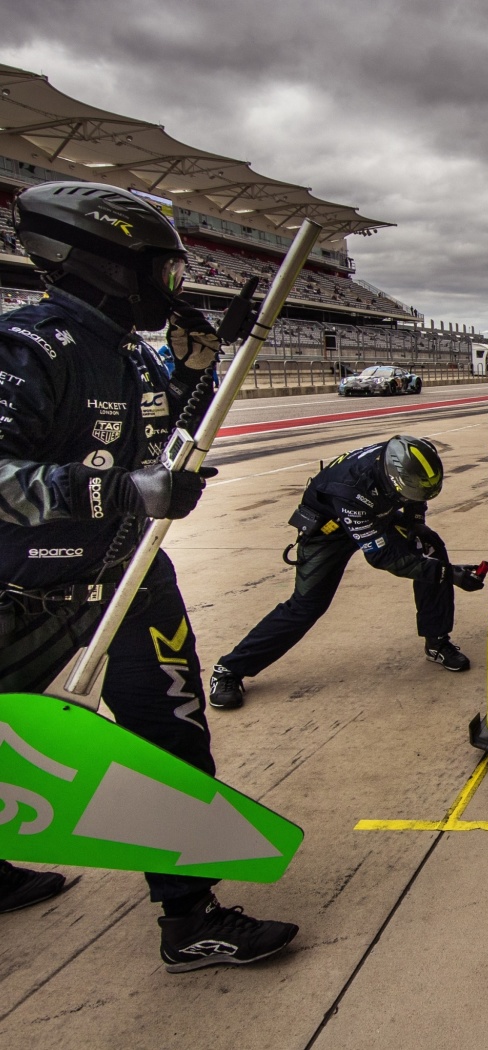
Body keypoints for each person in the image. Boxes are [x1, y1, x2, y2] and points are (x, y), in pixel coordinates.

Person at [0, 181, 298, 969]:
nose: (173, 290)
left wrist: (212, 363)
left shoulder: (128, 351)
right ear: (103, 262)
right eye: (164, 272)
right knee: (11, 744)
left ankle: (189, 914)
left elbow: (172, 438)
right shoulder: (28, 346)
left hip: (130, 575)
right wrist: (120, 490)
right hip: (22, 591)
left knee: (170, 736)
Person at [209, 435, 485, 708]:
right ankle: (229, 669)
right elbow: (382, 556)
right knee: (306, 606)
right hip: (329, 530)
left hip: (376, 515)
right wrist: (448, 575)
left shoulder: (411, 457)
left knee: (430, 547)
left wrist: (415, 522)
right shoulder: (350, 488)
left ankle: (436, 640)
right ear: (391, 480)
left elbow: (416, 494)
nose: (413, 497)